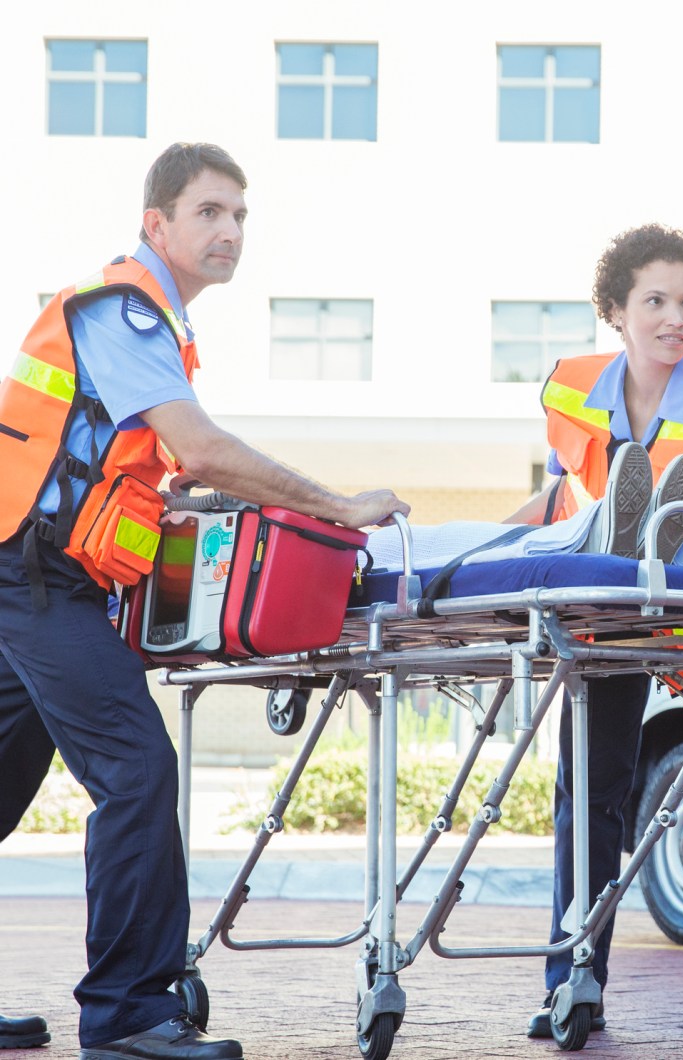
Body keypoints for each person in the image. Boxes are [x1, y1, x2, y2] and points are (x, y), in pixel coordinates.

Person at [0, 142, 409, 1060]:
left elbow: (131, 465)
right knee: (139, 773)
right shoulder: (125, 311)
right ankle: (128, 1014)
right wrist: (339, 505)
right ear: (159, 224)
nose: (229, 232)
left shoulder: (150, 322)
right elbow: (204, 448)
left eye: (240, 217)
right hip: (29, 578)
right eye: (210, 213)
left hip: (35, 572)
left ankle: (128, 1006)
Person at [505, 223, 683, 1037]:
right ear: (615, 312)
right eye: (656, 301)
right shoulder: (570, 390)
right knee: (591, 790)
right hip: (604, 615)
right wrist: (492, 547)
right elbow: (557, 497)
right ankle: (574, 978)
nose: (677, 317)